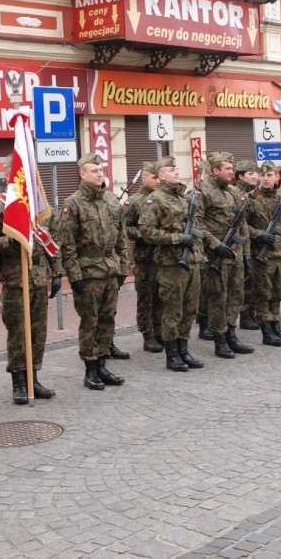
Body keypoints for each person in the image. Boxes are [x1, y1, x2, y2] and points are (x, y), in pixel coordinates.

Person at [0, 155, 61, 404]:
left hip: (38, 279)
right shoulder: (1, 207)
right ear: (9, 176)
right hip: (16, 281)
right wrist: (11, 239)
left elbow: (53, 242)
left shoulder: (39, 206)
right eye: (22, 173)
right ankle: (18, 382)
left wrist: (56, 273)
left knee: (38, 333)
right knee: (18, 334)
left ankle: (33, 379)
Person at [57, 153, 129, 390]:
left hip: (110, 269)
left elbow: (121, 239)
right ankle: (90, 368)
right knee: (90, 321)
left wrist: (123, 268)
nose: (100, 174)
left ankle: (103, 363)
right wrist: (74, 276)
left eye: (101, 170)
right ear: (82, 174)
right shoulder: (73, 204)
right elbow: (66, 245)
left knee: (108, 319)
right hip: (88, 273)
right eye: (94, 171)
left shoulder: (112, 201)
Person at [138, 156, 204, 371]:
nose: (176, 171)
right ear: (161, 175)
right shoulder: (155, 200)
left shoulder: (184, 199)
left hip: (192, 261)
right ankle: (172, 354)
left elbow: (196, 227)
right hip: (170, 264)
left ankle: (184, 349)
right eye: (170, 169)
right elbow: (147, 233)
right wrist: (176, 238)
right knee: (172, 310)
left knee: (189, 309)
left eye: (177, 168)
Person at [195, 152, 254, 358]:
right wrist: (215, 244)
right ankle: (219, 340)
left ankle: (231, 335)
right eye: (227, 169)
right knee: (218, 298)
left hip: (235, 253)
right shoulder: (203, 192)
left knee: (235, 296)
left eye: (232, 168)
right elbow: (197, 223)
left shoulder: (232, 192)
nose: (231, 172)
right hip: (216, 255)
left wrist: (246, 252)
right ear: (215, 170)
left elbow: (242, 224)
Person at [246, 161, 281, 346]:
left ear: (277, 177)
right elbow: (242, 227)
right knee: (263, 295)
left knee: (277, 293)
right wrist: (260, 234)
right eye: (263, 175)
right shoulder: (251, 199)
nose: (266, 179)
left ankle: (277, 327)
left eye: (269, 175)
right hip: (262, 256)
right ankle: (267, 331)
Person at [123, 161, 163, 352]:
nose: (158, 181)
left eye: (159, 177)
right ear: (144, 177)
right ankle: (148, 334)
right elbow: (126, 228)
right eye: (154, 177)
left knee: (161, 296)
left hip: (164, 256)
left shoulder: (162, 198)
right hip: (145, 256)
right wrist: (145, 234)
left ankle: (159, 330)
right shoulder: (134, 201)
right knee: (146, 298)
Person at [232, 160, 260, 331]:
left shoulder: (254, 193)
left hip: (255, 245)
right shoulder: (239, 194)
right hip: (245, 244)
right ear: (240, 176)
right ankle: (245, 315)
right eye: (251, 174)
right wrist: (259, 234)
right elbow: (242, 224)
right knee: (245, 282)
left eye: (255, 173)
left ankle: (251, 312)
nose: (255, 177)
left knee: (254, 281)